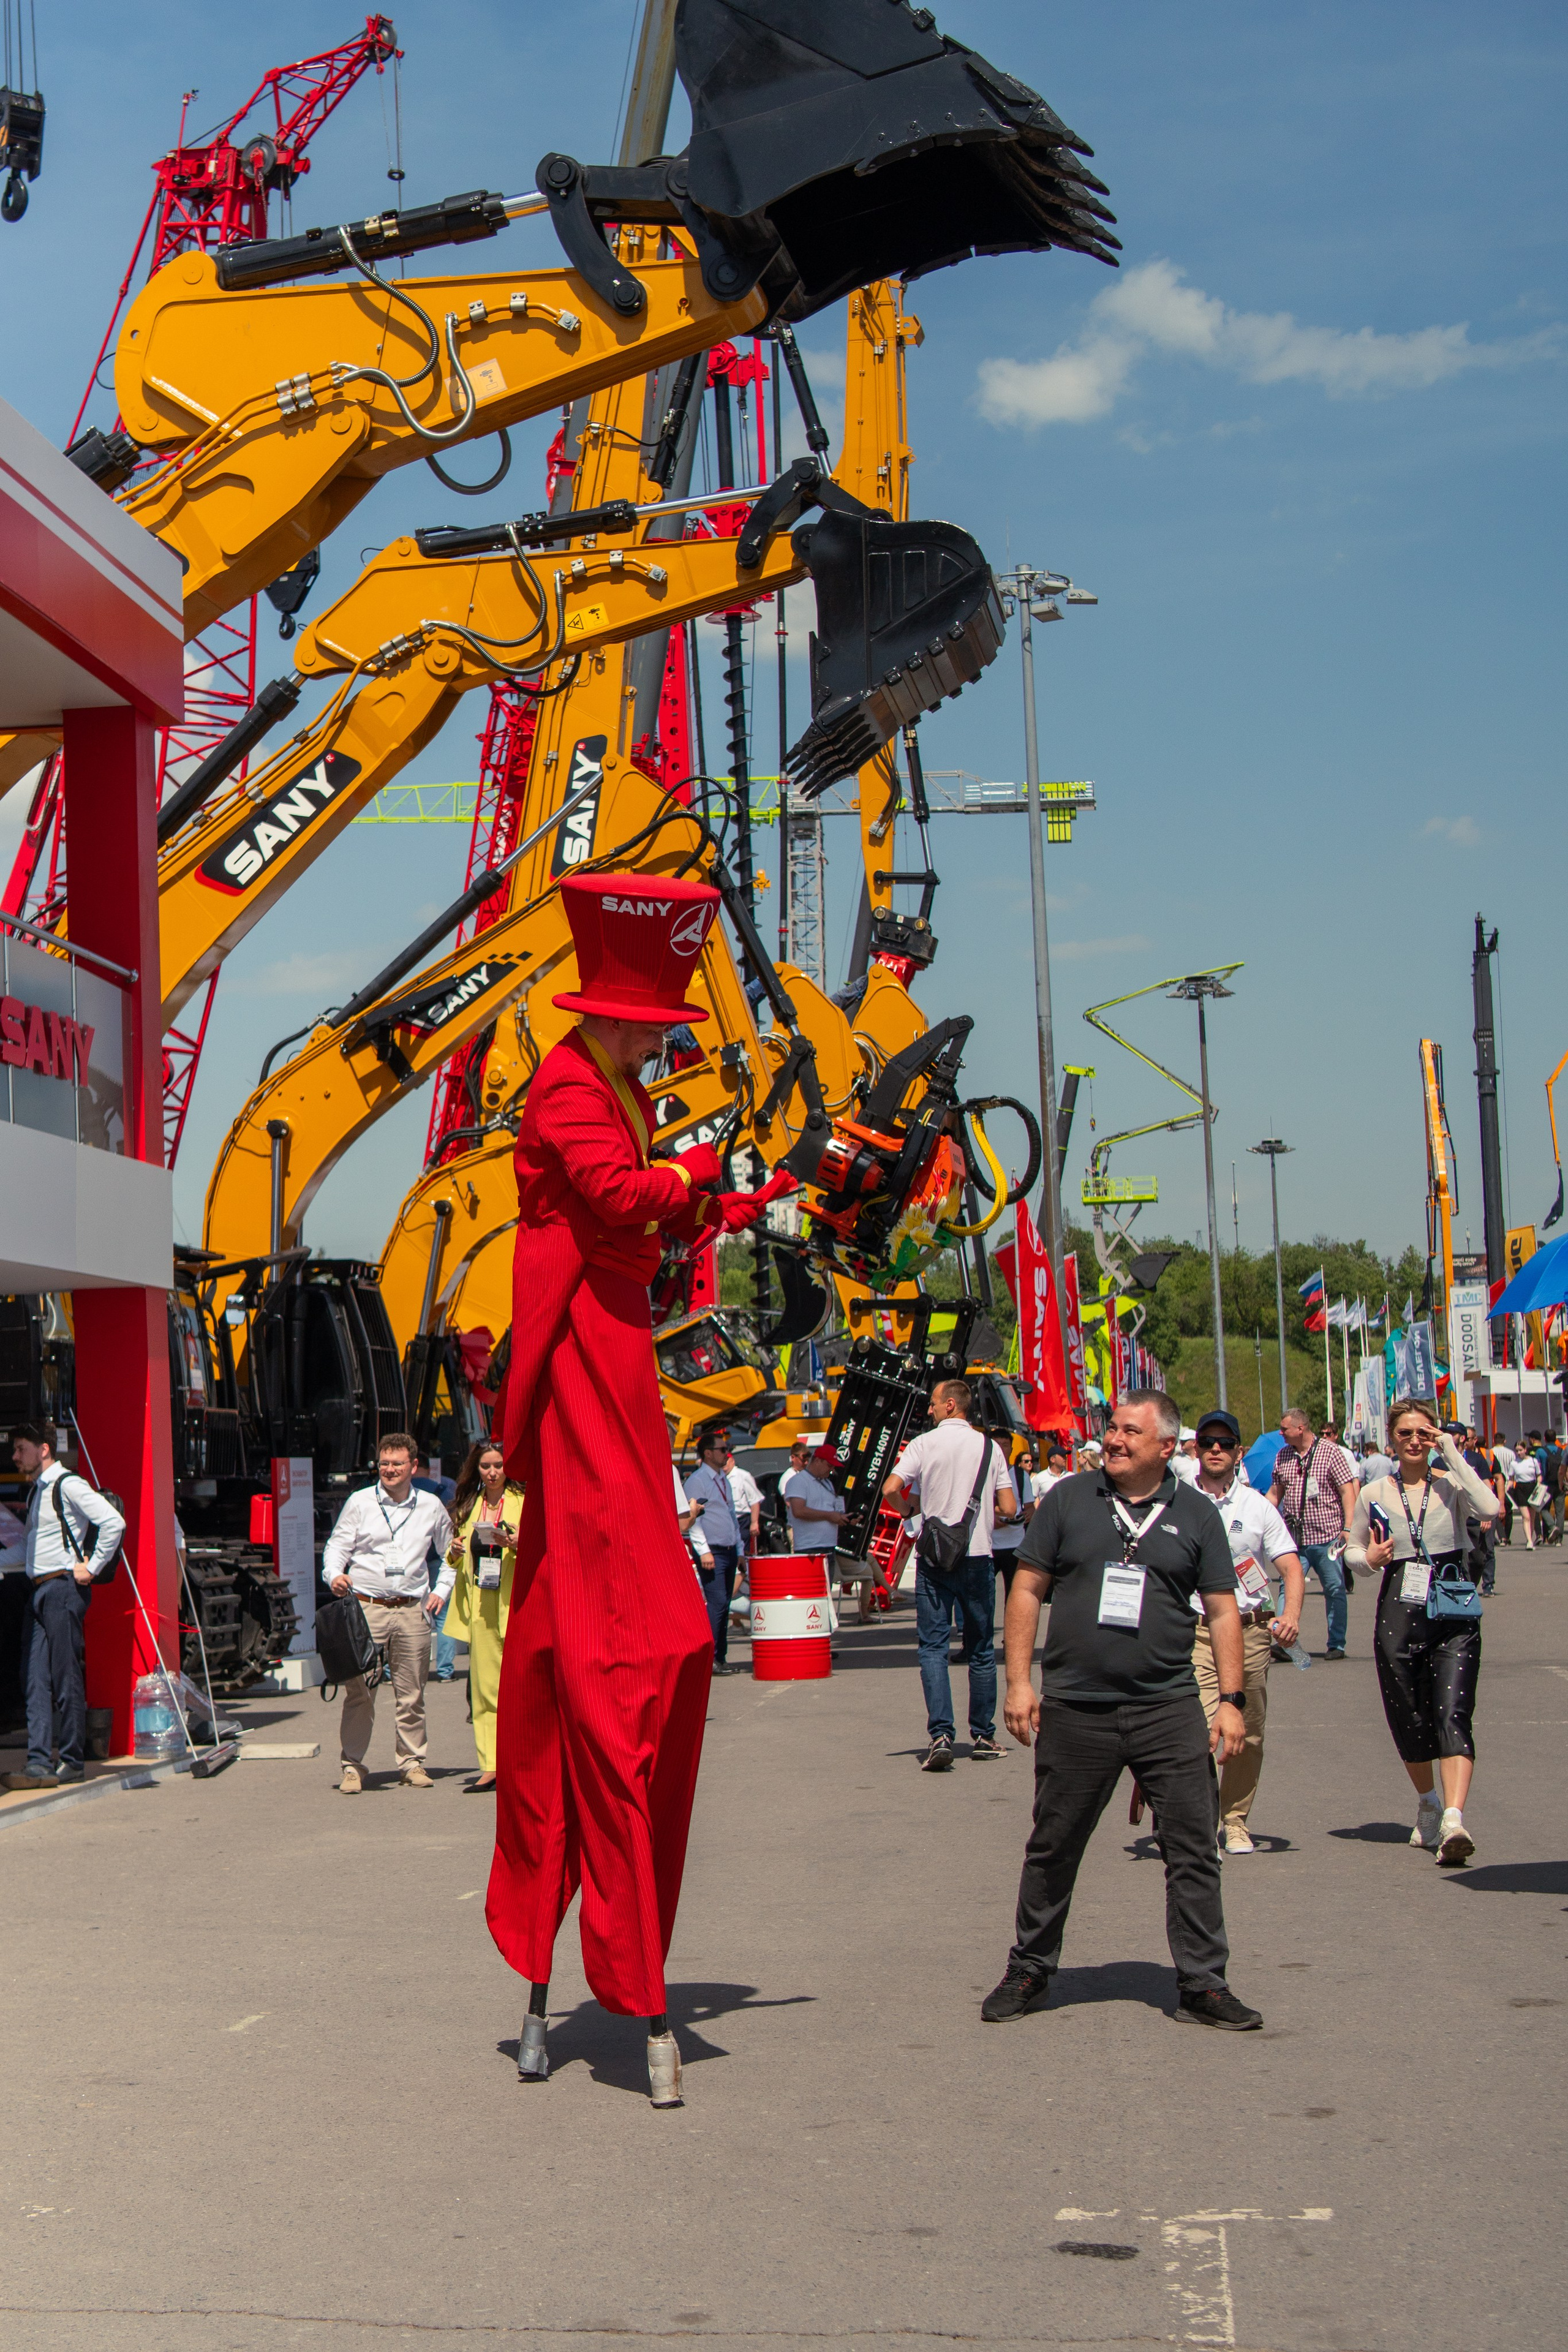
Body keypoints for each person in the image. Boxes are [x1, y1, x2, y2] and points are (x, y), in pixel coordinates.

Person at [490, 870, 785, 2105]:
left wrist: (738, 1194)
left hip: (614, 1339)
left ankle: (585, 1971)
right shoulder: (570, 1085)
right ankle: (604, 1977)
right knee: (613, 1625)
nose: (665, 1046)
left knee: (646, 1623)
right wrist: (702, 1173)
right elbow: (618, 1196)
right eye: (656, 1026)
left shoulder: (613, 1086)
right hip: (580, 1341)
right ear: (617, 1014)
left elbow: (651, 1207)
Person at [982, 1390, 1262, 2031]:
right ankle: (1030, 1968)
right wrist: (1019, 1683)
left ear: (1165, 1447)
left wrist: (1230, 1701)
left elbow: (1224, 1609)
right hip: (1077, 1706)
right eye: (1112, 1428)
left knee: (1193, 1847)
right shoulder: (1068, 1501)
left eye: (1130, 1432)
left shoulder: (1195, 1514)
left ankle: (1203, 1983)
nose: (1113, 1439)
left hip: (1168, 1706)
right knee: (1054, 1844)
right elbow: (1026, 1589)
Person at [1345, 1398, 1499, 1865]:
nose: (1415, 1441)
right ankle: (1429, 1802)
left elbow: (1491, 1506)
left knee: (1453, 1710)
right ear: (1391, 1439)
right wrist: (1368, 1560)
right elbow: (1352, 1548)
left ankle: (1454, 1819)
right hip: (1400, 1606)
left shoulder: (1452, 1483)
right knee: (1409, 1713)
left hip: (1452, 1603)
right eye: (1406, 1433)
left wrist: (1450, 1450)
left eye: (1424, 1433)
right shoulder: (1374, 1492)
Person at [883, 1379, 1016, 1771]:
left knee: (933, 1649)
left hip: (934, 1560)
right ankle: (984, 1736)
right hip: (978, 1557)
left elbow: (891, 1488)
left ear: (951, 1405)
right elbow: (1009, 1506)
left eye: (933, 1403)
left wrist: (910, 1512)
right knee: (981, 1650)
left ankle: (941, 1735)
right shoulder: (990, 1448)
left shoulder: (923, 1444)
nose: (929, 1409)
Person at [1189, 1410, 1305, 1855]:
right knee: (1199, 1730)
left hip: (1250, 1633)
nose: (1215, 1449)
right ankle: (1198, 1824)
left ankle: (1235, 1820)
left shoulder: (1258, 1506)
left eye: (1225, 1442)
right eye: (1207, 1442)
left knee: (1246, 1731)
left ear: (1239, 1452)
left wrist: (1290, 1615)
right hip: (1196, 1632)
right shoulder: (1178, 1502)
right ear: (1196, 1449)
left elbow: (1290, 1567)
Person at [324, 1431, 454, 1792]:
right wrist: (334, 1575)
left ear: (414, 1466)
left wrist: (441, 1590)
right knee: (360, 1693)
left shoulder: (431, 1506)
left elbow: (452, 1554)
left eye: (397, 1464)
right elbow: (337, 1546)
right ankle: (352, 1767)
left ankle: (412, 1763)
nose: (390, 1470)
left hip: (412, 1610)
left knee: (411, 1694)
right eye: (384, 1464)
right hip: (367, 1609)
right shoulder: (360, 1502)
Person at [0, 1423, 124, 1792]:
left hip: (62, 1588)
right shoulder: (38, 1491)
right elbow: (30, 1548)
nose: (15, 1456)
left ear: (43, 1450)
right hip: (39, 1590)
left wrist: (92, 1566)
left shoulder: (68, 1484)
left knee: (65, 1675)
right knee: (34, 1678)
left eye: (21, 1448)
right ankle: (39, 1761)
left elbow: (114, 1521)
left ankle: (71, 1760)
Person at [440, 1439, 522, 1793]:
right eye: (485, 1466)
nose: (492, 1473)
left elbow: (548, 1547)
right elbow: (453, 1557)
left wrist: (517, 1543)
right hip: (481, 1605)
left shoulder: (524, 1501)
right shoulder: (469, 1505)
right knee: (485, 1691)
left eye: (498, 1466)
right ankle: (490, 1765)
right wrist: (455, 1551)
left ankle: (522, 1762)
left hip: (517, 1605)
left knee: (519, 1691)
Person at [1269, 1408, 1360, 1659]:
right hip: (1295, 1539)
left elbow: (1347, 1492)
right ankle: (1284, 1643)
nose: (1280, 1433)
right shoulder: (1283, 1456)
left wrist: (1348, 1528)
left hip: (1327, 1536)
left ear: (1300, 1429)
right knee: (1288, 1588)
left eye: (1284, 1429)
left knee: (1334, 1589)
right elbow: (1275, 1495)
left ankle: (1337, 1644)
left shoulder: (1330, 1452)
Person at [685, 1430, 745, 1675]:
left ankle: (720, 1657)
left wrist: (739, 1549)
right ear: (708, 1454)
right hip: (713, 1551)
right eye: (722, 1450)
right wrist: (704, 1551)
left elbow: (731, 1516)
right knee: (717, 1603)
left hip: (728, 1548)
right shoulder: (698, 1480)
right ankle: (710, 1659)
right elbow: (693, 1519)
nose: (726, 1454)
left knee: (724, 1604)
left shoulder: (722, 1479)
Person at [990, 1442, 1036, 1600]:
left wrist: (1028, 1514)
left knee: (1014, 1595)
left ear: (1011, 1449)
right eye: (997, 1444)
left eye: (1005, 1445)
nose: (1001, 1448)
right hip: (987, 1547)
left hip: (1015, 1545)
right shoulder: (981, 1472)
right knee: (982, 1597)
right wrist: (991, 1518)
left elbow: (1030, 1507)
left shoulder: (1020, 1475)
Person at [786, 1444, 848, 1552]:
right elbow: (799, 1511)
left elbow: (831, 1510)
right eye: (829, 1466)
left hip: (829, 1545)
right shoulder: (799, 1481)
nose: (832, 1470)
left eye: (833, 1467)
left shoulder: (828, 1483)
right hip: (809, 1547)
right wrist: (829, 1516)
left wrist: (844, 1518)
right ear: (818, 1461)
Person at [1508, 1433, 1540, 1549]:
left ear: (1525, 1450)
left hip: (1532, 1488)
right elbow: (1511, 1479)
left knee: (1532, 1517)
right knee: (1526, 1517)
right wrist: (1507, 1488)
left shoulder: (1533, 1461)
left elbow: (1539, 1476)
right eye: (1517, 1451)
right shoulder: (1514, 1464)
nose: (1518, 1453)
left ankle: (1530, 1538)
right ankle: (1529, 1541)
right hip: (1520, 1489)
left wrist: (1539, 1486)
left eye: (1520, 1450)